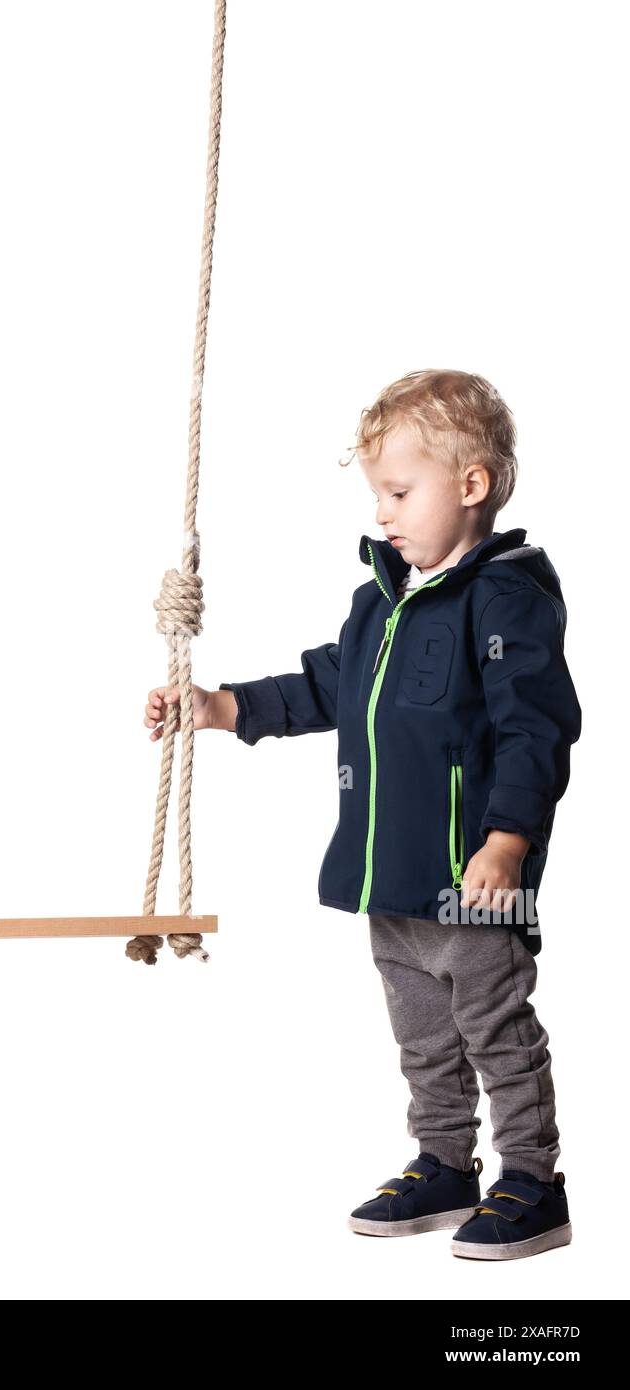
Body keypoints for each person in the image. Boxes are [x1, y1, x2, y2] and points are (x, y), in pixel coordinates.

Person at [144, 368, 582, 1261]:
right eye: (377, 494)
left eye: (398, 492)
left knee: (496, 1030)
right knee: (422, 1035)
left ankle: (533, 1181)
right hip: (390, 875)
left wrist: (507, 842)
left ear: (471, 486)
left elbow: (536, 727)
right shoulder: (380, 601)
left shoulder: (505, 598)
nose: (383, 514)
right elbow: (328, 684)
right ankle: (444, 1163)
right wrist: (222, 705)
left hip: (472, 878)